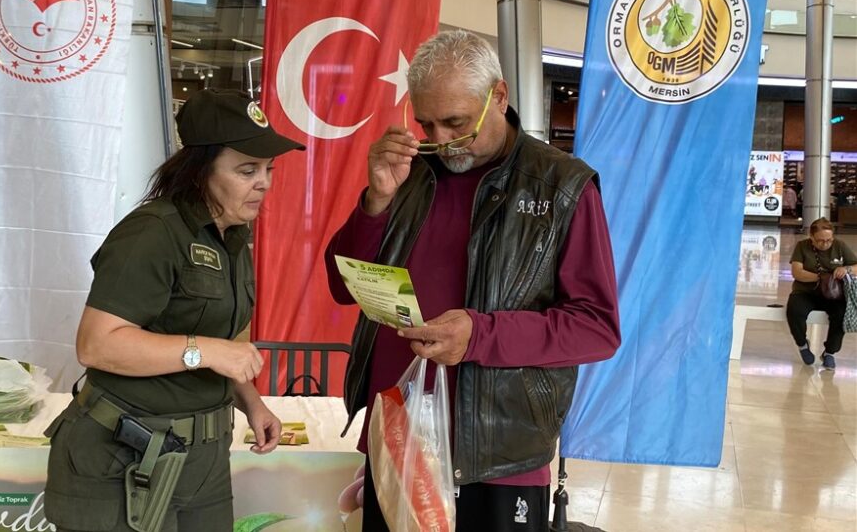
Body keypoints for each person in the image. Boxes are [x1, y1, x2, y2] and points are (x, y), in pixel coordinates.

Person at [325, 30, 620, 532]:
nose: (440, 140)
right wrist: (375, 203)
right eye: (426, 123)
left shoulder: (561, 186)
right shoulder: (409, 174)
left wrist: (479, 335)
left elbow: (596, 327)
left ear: (499, 97)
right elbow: (343, 284)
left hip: (498, 451)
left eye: (457, 122)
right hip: (398, 434)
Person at [44, 89, 305, 532]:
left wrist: (252, 403)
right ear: (201, 171)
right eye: (247, 170)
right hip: (123, 458)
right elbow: (96, 344)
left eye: (268, 169)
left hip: (202, 458)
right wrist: (204, 350)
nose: (264, 182)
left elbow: (225, 345)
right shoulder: (153, 233)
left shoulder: (232, 237)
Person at [785, 218, 856, 370]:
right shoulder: (802, 247)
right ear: (811, 237)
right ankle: (802, 344)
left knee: (841, 314)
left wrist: (847, 269)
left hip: (833, 294)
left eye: (829, 240)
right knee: (794, 311)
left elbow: (856, 265)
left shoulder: (840, 246)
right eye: (820, 241)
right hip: (805, 292)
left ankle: (830, 352)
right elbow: (797, 272)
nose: (825, 244)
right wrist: (822, 277)